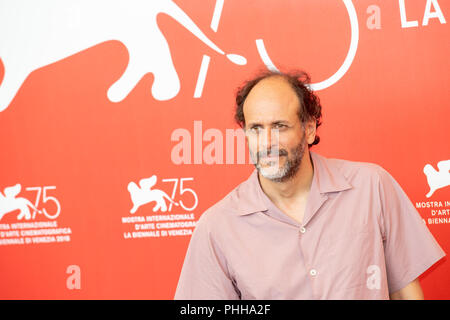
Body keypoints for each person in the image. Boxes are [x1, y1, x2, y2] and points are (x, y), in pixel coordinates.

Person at [174, 69, 446, 300]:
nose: (267, 142)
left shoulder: (371, 187)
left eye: (280, 126)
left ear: (309, 129)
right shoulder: (217, 227)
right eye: (256, 128)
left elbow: (404, 290)